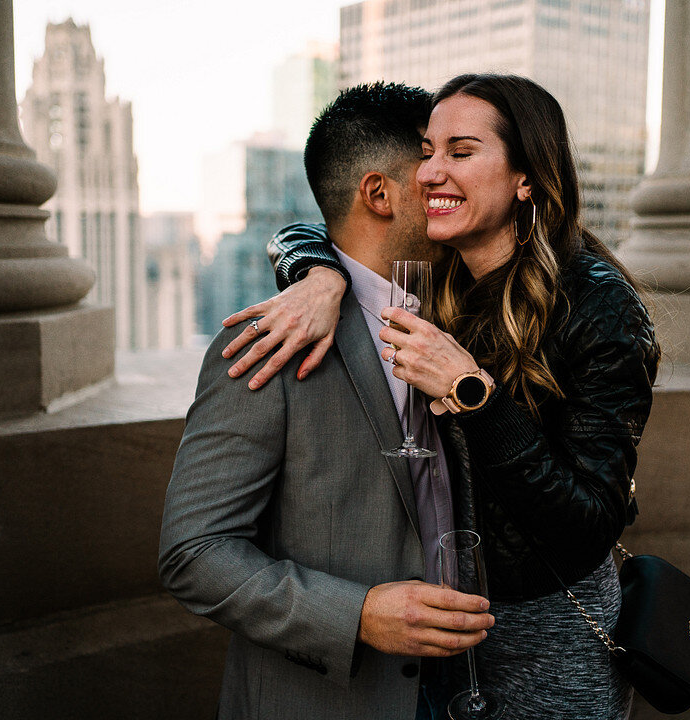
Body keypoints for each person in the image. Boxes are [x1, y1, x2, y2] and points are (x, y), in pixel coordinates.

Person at [223, 73, 660, 720]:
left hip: (547, 637)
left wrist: (474, 394)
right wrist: (316, 276)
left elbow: (584, 526)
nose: (429, 172)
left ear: (527, 178)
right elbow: (314, 229)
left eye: (460, 152)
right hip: (436, 624)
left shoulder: (599, 308)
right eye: (426, 151)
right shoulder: (441, 266)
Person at [157, 82, 496, 720]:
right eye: (428, 173)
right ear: (379, 194)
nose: (448, 187)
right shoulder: (270, 344)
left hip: (464, 688)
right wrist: (358, 615)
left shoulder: (461, 313)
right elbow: (193, 554)